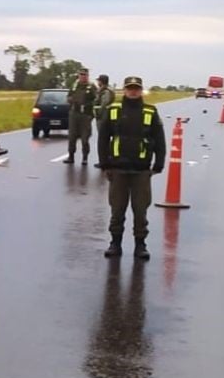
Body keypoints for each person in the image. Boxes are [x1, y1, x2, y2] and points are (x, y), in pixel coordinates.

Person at [98, 76, 166, 260]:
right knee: (117, 209)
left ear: (141, 90)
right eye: (130, 88)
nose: (133, 91)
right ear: (124, 90)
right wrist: (104, 164)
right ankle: (115, 243)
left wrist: (159, 164)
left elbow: (159, 139)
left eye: (136, 88)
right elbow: (103, 138)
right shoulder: (113, 109)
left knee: (140, 209)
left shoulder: (150, 111)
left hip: (141, 170)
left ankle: (140, 245)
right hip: (118, 170)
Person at [65, 68, 97, 165]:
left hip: (85, 115)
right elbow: (68, 96)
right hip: (74, 113)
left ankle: (85, 158)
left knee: (84, 138)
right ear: (78, 75)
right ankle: (71, 156)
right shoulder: (75, 86)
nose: (83, 76)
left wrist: (90, 111)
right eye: (81, 74)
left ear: (87, 76)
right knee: (72, 137)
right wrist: (70, 100)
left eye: (84, 75)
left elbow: (96, 99)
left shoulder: (91, 87)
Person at [93, 74, 115, 168]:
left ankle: (105, 161)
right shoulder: (103, 90)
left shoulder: (105, 92)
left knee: (103, 140)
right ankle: (106, 160)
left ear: (102, 81)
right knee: (104, 140)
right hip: (103, 117)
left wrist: (98, 114)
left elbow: (104, 104)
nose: (98, 82)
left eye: (99, 80)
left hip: (103, 117)